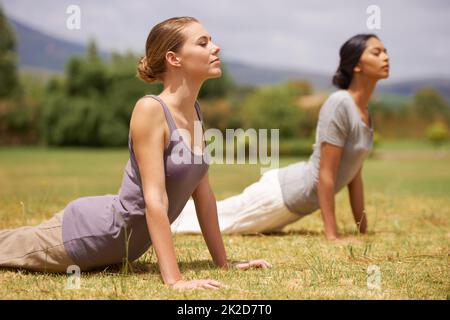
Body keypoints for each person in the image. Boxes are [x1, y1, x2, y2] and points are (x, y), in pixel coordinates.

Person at [0, 16, 270, 290]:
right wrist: (174, 280)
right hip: (91, 233)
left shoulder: (195, 111)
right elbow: (155, 200)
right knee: (6, 247)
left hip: (117, 248)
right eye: (203, 42)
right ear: (174, 59)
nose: (216, 47)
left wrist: (223, 263)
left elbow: (204, 195)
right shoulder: (150, 109)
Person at [172, 34, 390, 242]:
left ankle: (165, 209)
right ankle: (156, 213)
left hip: (291, 205)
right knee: (218, 221)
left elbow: (354, 174)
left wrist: (363, 230)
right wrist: (332, 236)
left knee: (222, 213)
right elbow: (325, 174)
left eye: (385, 52)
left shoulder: (364, 111)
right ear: (356, 65)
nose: (385, 57)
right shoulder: (340, 103)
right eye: (376, 52)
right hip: (282, 194)